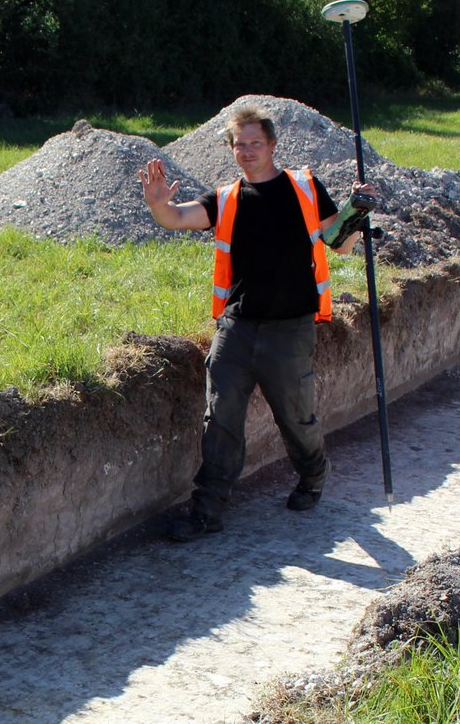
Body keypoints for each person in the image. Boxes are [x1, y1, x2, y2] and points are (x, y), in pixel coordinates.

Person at [139, 106, 378, 541]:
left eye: (255, 143)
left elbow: (339, 244)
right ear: (231, 150)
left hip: (290, 329)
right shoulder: (227, 198)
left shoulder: (303, 189)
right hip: (237, 327)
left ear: (271, 145)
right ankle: (207, 510)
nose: (247, 152)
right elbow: (177, 217)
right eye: (239, 145)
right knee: (220, 419)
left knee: (296, 417)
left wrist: (355, 212)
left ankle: (313, 473)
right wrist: (159, 204)